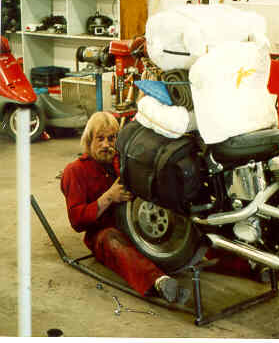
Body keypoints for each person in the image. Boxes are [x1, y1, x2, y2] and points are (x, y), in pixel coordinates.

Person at [60, 112, 189, 304]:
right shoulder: (75, 171)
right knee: (111, 239)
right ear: (88, 141)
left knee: (193, 233)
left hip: (138, 227)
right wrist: (108, 198)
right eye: (100, 139)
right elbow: (77, 221)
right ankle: (160, 282)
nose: (106, 145)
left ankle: (246, 265)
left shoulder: (122, 163)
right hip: (103, 233)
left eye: (112, 139)